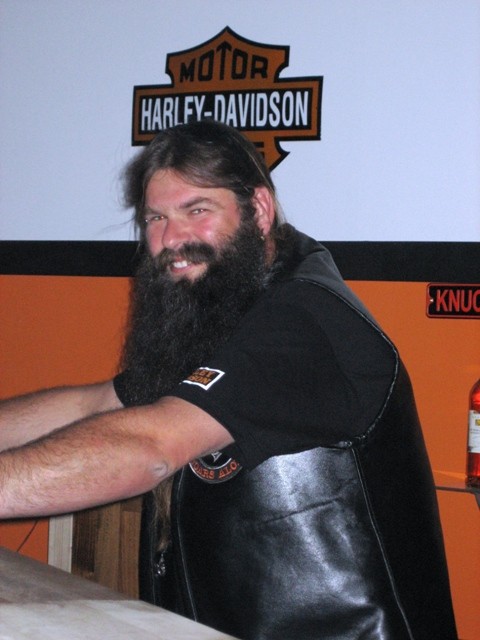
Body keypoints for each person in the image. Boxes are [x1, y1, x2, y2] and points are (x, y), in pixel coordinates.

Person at [0, 120, 457, 640]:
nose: (171, 239)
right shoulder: (228, 301)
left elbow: (151, 446)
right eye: (155, 218)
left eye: (197, 210)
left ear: (259, 209)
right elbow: (99, 404)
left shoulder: (302, 322)